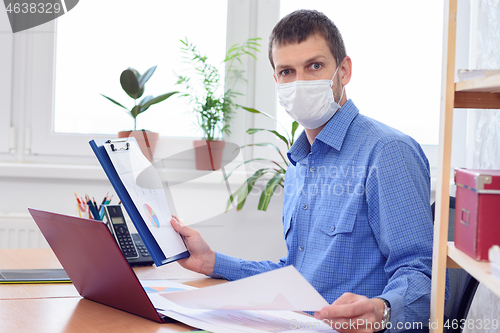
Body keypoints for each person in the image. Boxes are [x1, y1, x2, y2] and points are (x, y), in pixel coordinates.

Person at [170, 9, 439, 333]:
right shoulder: (300, 163)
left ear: (344, 70)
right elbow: (297, 276)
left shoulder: (387, 152)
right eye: (286, 71)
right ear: (276, 81)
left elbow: (424, 277)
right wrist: (213, 262)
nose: (300, 83)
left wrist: (383, 311)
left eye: (314, 66)